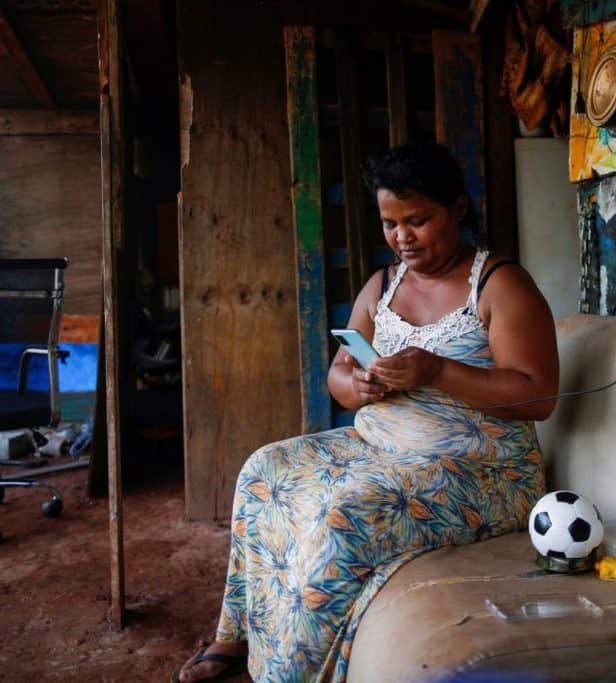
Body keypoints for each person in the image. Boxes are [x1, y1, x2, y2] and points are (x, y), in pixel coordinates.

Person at [175, 143, 558, 682]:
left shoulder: (499, 285)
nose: (403, 237)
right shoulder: (382, 285)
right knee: (265, 469)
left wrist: (438, 371)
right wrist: (358, 386)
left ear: (458, 210)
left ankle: (292, 675)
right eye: (390, 224)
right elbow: (338, 374)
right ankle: (234, 637)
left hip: (481, 471)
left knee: (344, 517)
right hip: (380, 445)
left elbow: (538, 395)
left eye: (418, 220)